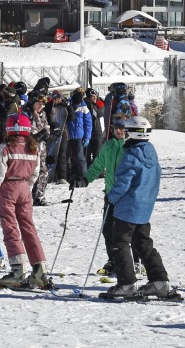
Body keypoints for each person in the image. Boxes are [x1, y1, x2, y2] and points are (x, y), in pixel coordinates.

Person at [102, 116, 177, 301]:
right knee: (143, 242)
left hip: (127, 207)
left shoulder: (130, 155)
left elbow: (123, 182)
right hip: (144, 207)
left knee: (119, 243)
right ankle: (160, 282)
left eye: (127, 131)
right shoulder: (151, 152)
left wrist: (111, 197)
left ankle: (126, 284)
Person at [0, 113, 50, 289]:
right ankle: (40, 269)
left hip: (8, 187)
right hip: (24, 188)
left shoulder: (4, 148)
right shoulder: (33, 148)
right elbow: (36, 172)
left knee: (10, 227)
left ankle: (18, 268)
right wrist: (27, 187)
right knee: (28, 227)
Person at [73, 118, 128, 278]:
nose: (118, 131)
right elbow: (97, 165)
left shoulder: (130, 147)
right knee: (108, 229)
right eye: (115, 128)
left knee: (128, 231)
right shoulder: (108, 146)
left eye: (121, 128)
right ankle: (113, 260)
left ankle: (135, 261)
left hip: (126, 196)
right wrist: (85, 179)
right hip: (110, 195)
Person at [27, 93, 51, 205]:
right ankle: (27, 196)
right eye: (39, 105)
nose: (41, 107)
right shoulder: (26, 113)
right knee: (29, 172)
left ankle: (39, 196)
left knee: (43, 171)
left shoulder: (42, 114)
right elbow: (29, 131)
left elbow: (46, 128)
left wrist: (47, 133)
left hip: (40, 148)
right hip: (29, 148)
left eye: (43, 106)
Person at [66, 89, 92, 183]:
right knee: (66, 156)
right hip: (68, 135)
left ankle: (83, 176)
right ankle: (67, 175)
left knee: (80, 156)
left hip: (79, 135)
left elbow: (88, 124)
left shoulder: (84, 108)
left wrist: (87, 137)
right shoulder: (68, 105)